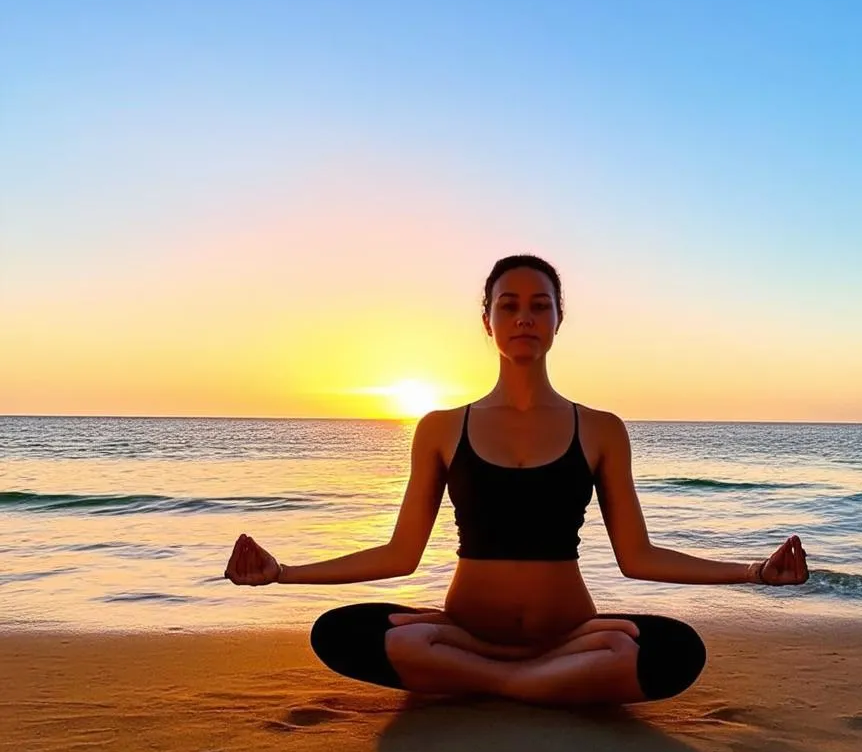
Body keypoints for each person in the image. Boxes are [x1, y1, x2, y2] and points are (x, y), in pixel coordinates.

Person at [224, 254, 809, 705]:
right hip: (467, 632)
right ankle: (533, 684)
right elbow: (401, 555)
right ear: (488, 321)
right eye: (508, 305)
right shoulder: (440, 428)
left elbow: (638, 558)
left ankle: (487, 685)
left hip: (570, 636)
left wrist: (753, 572)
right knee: (344, 632)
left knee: (676, 652)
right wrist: (284, 574)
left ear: (558, 319)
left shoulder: (601, 429)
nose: (524, 316)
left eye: (539, 304)